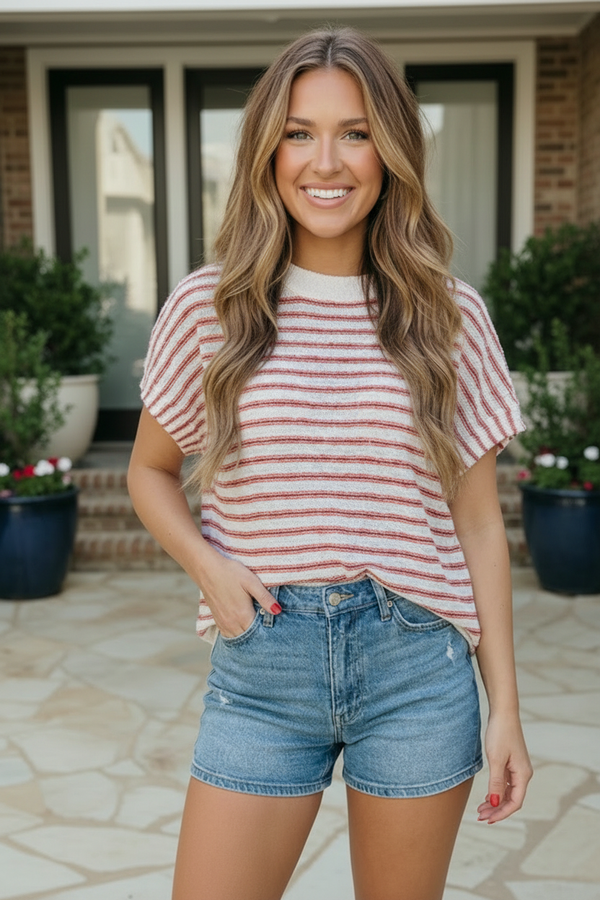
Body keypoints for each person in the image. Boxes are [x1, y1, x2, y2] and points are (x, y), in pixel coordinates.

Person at [128, 26, 533, 900]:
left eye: (354, 132)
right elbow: (149, 471)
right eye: (300, 132)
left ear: (389, 152)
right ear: (268, 152)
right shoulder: (212, 306)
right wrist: (209, 567)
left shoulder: (448, 316)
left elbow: (478, 522)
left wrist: (506, 708)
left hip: (416, 669)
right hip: (263, 666)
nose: (328, 161)